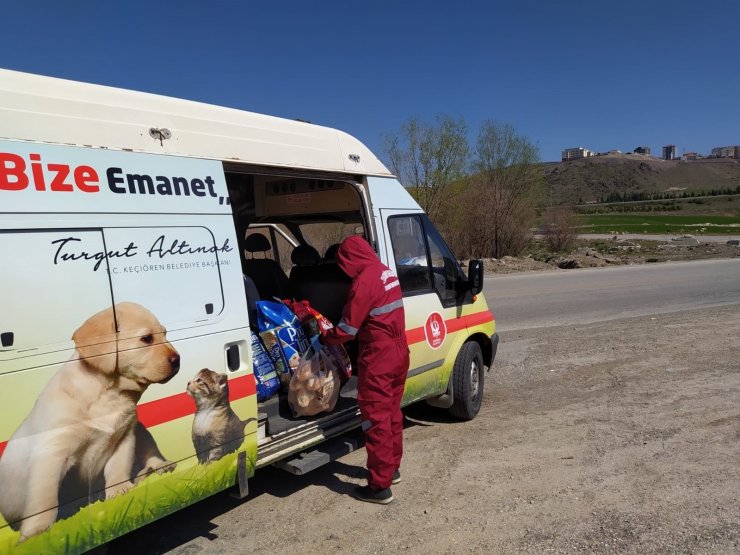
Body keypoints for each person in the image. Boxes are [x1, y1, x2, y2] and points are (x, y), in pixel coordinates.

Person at [321, 236, 409, 504]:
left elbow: (348, 330)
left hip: (379, 355)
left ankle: (379, 487)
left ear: (350, 258)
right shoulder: (384, 271)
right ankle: (391, 469)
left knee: (376, 418)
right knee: (392, 412)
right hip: (398, 350)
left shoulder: (364, 281)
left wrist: (326, 336)